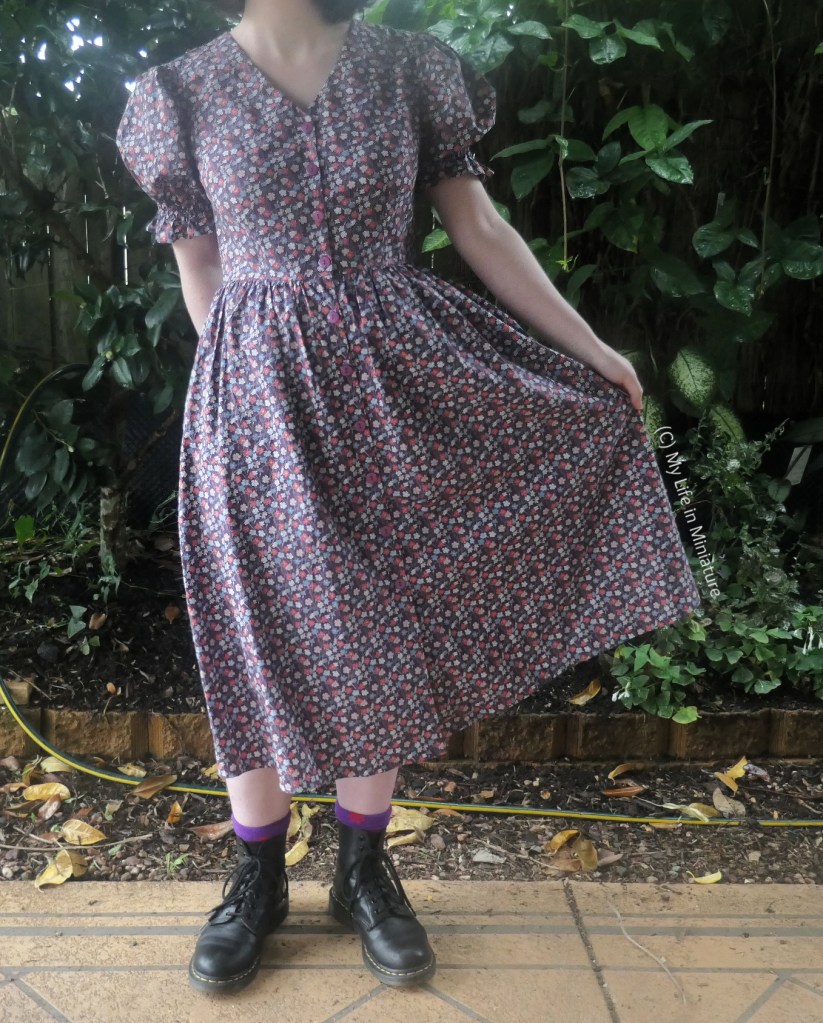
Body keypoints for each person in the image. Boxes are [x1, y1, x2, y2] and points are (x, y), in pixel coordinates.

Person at [116, 0, 702, 997]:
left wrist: (591, 352)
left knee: (380, 629)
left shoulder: (409, 70)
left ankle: (363, 868)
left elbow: (476, 226)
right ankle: (255, 875)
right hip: (251, 406)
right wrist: (243, 407)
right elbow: (201, 270)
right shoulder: (180, 94)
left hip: (399, 390)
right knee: (252, 626)